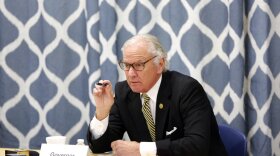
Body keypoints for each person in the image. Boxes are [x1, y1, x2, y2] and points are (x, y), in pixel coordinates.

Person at [87, 34, 228, 156]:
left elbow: (197, 145)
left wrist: (141, 149)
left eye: (138, 65)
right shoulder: (124, 92)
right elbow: (100, 146)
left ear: (160, 64)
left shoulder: (186, 89)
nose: (131, 74)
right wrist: (102, 113)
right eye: (127, 65)